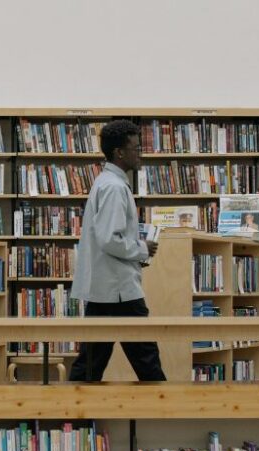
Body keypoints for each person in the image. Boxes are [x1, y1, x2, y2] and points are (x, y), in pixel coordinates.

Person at [68, 120, 167, 382]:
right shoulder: (113, 187)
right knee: (147, 361)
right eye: (135, 148)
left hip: (106, 288)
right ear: (119, 153)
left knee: (90, 363)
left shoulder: (106, 182)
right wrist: (142, 249)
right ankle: (163, 415)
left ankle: (70, 417)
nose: (140, 153)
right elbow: (110, 239)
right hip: (119, 290)